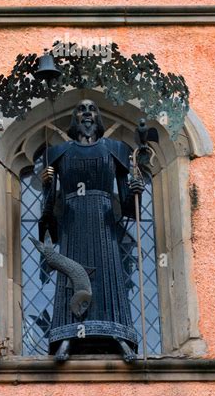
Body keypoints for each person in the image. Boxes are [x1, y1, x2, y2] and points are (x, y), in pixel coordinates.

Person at [39, 99, 144, 362]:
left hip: (104, 222)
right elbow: (50, 210)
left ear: (98, 118)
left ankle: (121, 336)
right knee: (70, 274)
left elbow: (130, 209)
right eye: (81, 109)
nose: (86, 113)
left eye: (92, 109)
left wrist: (136, 192)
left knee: (108, 273)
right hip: (73, 224)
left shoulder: (115, 149)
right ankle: (65, 336)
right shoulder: (59, 153)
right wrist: (47, 187)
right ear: (74, 119)